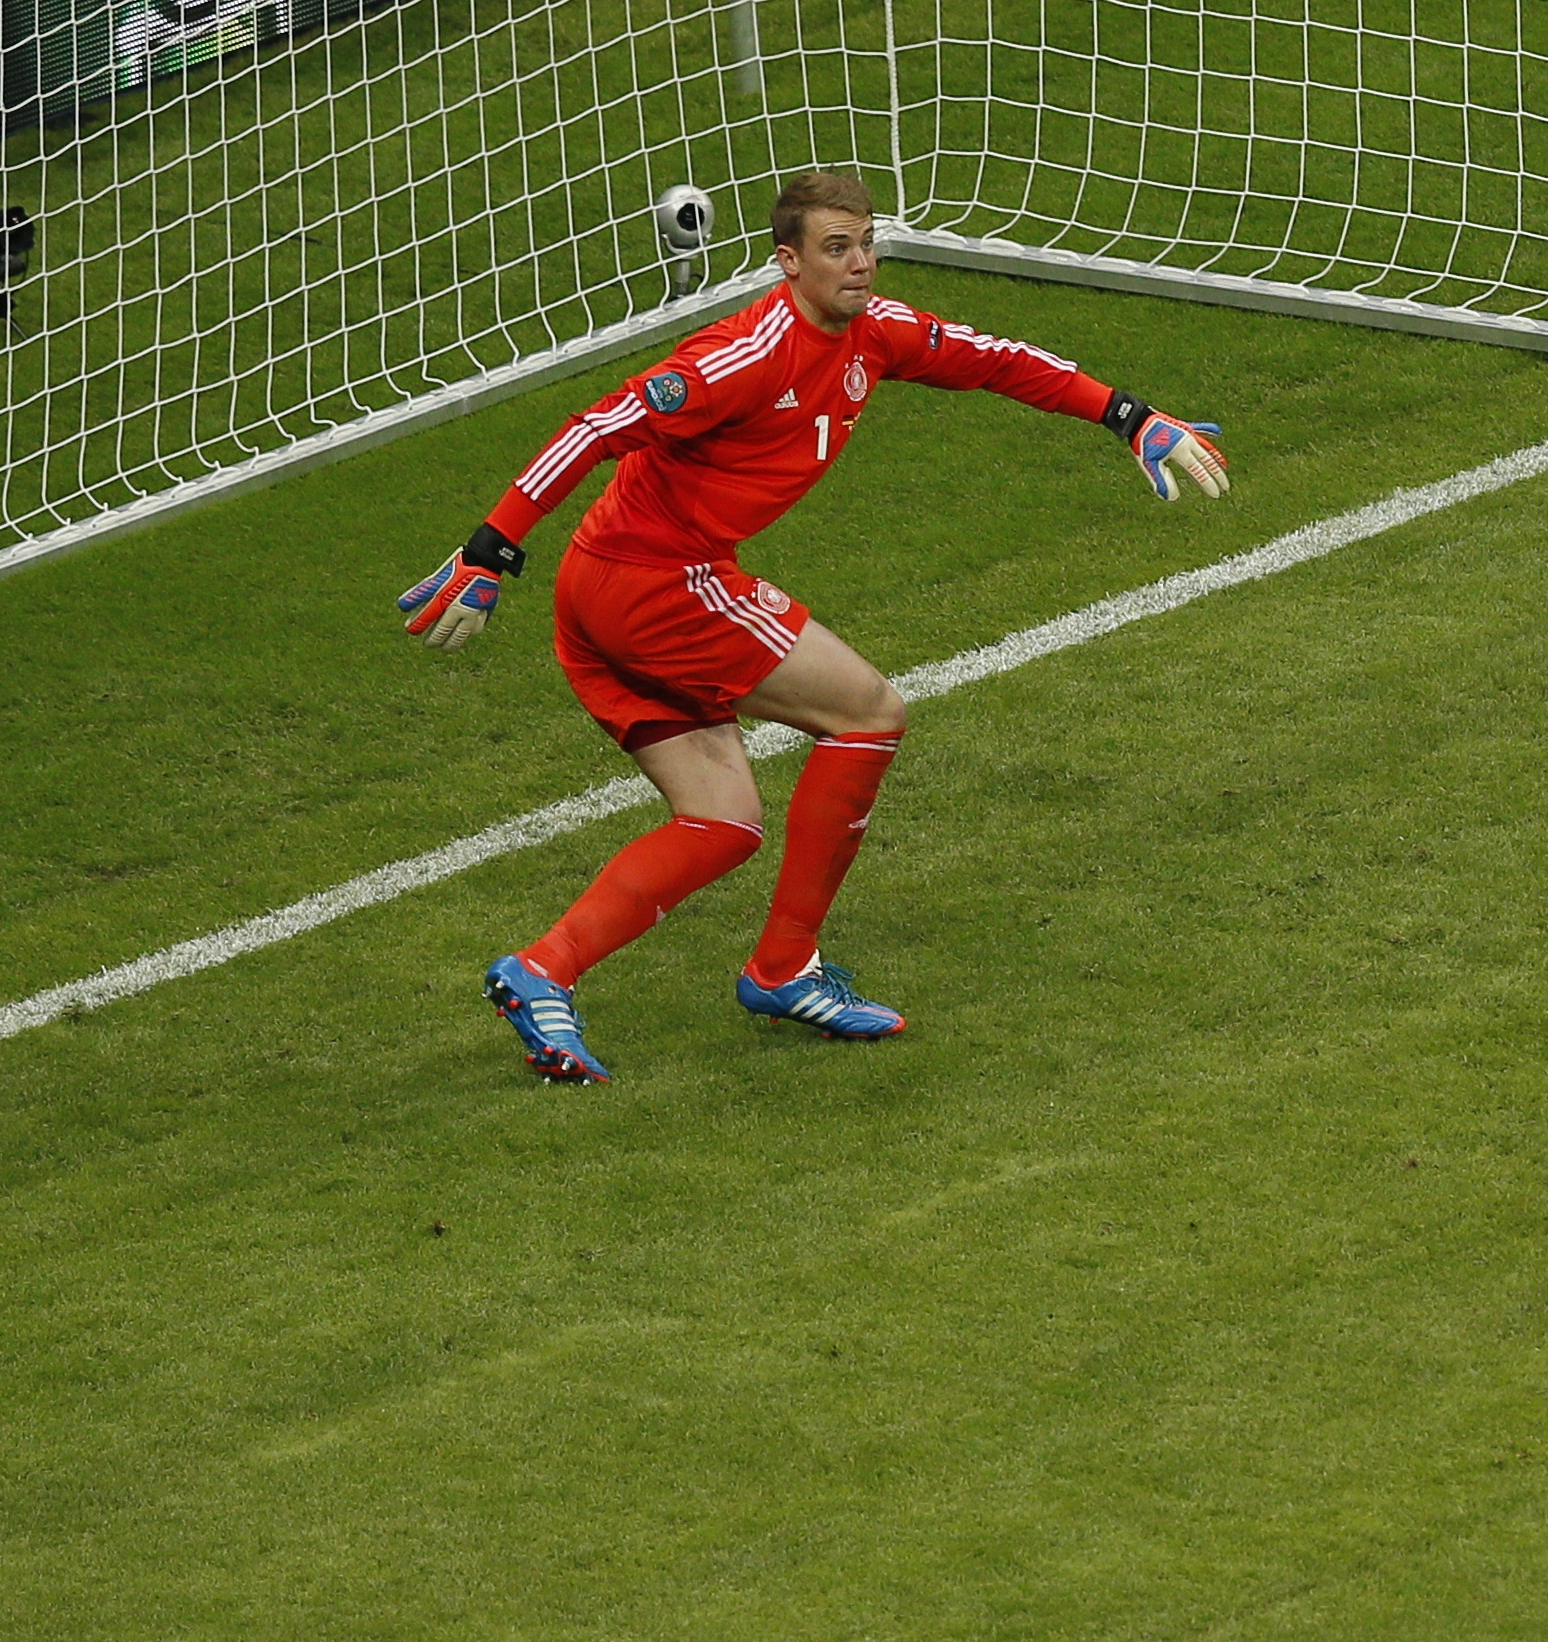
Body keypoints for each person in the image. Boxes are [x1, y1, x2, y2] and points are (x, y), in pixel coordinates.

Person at [395, 171, 1229, 1080]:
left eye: (867, 244)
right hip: (656, 583)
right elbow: (601, 424)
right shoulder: (744, 355)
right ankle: (784, 967)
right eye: (837, 248)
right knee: (868, 713)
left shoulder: (876, 332)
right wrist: (491, 549)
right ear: (787, 261)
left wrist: (1127, 416)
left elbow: (995, 359)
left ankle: (541, 972)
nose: (860, 263)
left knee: (722, 821)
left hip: (610, 584)